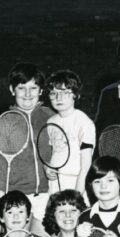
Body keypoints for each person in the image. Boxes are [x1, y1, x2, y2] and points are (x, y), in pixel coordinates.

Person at [0, 62, 54, 236]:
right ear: (12, 90)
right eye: (21, 88)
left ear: (41, 90)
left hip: (46, 196)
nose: (27, 94)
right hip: (17, 201)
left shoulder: (51, 116)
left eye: (33, 88)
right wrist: (0, 208)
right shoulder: (5, 121)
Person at [43, 70, 95, 199]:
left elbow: (86, 166)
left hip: (76, 183)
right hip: (55, 184)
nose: (58, 98)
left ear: (76, 96)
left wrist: (77, 195)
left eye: (65, 93)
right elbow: (54, 153)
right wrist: (47, 168)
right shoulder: (51, 122)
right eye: (53, 93)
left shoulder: (84, 122)